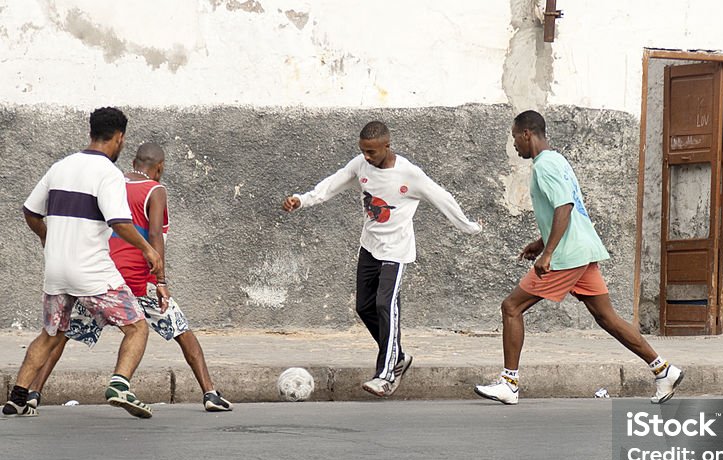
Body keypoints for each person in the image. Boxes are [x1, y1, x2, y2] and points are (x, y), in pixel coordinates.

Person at [474, 110, 684, 405]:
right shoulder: (558, 160)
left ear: (526, 134)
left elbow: (564, 206)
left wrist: (548, 253)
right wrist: (541, 241)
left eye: (514, 138)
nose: (514, 145)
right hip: (582, 249)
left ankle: (509, 383)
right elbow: (564, 209)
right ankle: (663, 370)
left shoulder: (544, 166)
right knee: (606, 317)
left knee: (511, 307)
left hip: (567, 254)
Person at [26, 143, 234, 413]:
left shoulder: (112, 180)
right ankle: (209, 393)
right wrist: (161, 281)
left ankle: (33, 392)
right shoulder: (155, 190)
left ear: (134, 161)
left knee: (61, 334)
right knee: (182, 331)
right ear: (159, 168)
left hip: (99, 276)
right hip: (137, 282)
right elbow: (155, 235)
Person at [282, 121, 482, 397]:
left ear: (387, 147)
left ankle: (387, 375)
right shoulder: (360, 165)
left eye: (372, 152)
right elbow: (332, 184)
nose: (367, 157)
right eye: (363, 151)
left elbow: (442, 198)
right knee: (365, 308)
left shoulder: (409, 174)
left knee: (385, 304)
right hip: (370, 246)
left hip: (396, 251)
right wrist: (302, 200)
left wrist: (469, 226)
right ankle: (398, 356)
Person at [2, 107, 165, 419]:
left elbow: (30, 212)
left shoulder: (60, 167)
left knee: (50, 334)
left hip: (56, 269)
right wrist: (147, 249)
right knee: (137, 327)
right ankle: (120, 384)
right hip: (91, 271)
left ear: (91, 132)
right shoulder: (109, 174)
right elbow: (119, 222)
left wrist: (46, 238)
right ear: (119, 138)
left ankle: (18, 397)